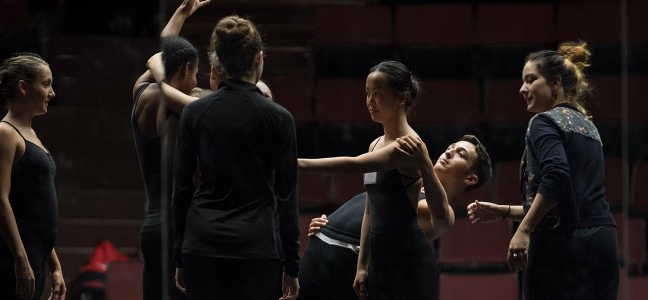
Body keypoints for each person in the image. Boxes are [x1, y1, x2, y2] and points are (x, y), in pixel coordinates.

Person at [467, 41, 618, 300]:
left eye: (530, 80)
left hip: (565, 243)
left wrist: (524, 229)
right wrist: (504, 212)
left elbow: (556, 175)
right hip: (603, 239)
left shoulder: (543, 122)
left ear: (555, 83)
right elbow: (564, 200)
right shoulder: (589, 127)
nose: (522, 89)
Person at [172, 15, 300, 300]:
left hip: (201, 243)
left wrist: (179, 255)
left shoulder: (194, 112)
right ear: (258, 58)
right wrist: (292, 264)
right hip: (255, 245)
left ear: (218, 62)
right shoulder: (280, 118)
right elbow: (287, 198)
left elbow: (181, 189)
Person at [298, 60, 443, 300]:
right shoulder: (376, 144)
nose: (370, 101)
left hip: (407, 257)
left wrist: (296, 163)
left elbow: (352, 164)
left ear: (401, 98)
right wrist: (362, 265)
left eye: (378, 94)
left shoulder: (408, 145)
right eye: (367, 93)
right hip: (381, 256)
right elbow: (369, 211)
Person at [298, 134, 492, 300]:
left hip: (344, 266)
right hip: (319, 253)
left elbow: (432, 214)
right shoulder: (409, 182)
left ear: (470, 178)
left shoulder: (445, 213)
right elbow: (368, 205)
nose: (449, 152)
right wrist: (331, 223)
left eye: (460, 154)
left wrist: (424, 164)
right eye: (450, 147)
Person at [131, 1, 207, 298]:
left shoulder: (142, 91)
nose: (196, 81)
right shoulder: (171, 101)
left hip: (152, 225)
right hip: (175, 230)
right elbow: (206, 108)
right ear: (187, 69)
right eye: (196, 73)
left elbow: (163, 51)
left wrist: (181, 14)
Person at [0, 52, 66, 300]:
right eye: (46, 84)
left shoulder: (31, 135)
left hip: (34, 250)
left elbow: (35, 211)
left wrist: (55, 266)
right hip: (16, 253)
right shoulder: (4, 134)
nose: (52, 93)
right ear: (23, 87)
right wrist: (20, 258)